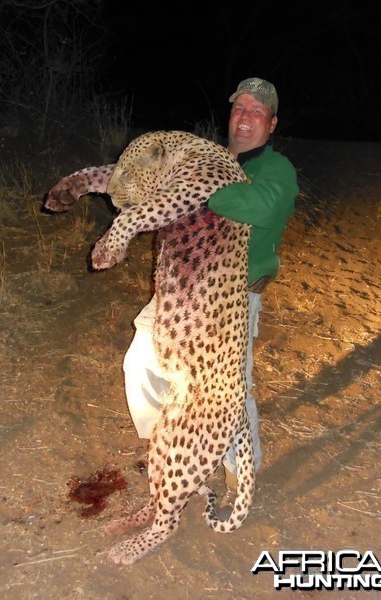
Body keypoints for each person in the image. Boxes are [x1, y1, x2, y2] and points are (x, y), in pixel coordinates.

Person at [124, 77, 299, 491]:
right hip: (180, 287)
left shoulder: (276, 168)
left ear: (271, 123)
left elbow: (262, 207)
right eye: (240, 107)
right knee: (140, 364)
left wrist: (201, 191)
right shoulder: (208, 157)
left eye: (257, 111)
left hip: (230, 295)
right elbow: (156, 192)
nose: (246, 117)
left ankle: (241, 475)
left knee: (227, 392)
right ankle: (163, 448)